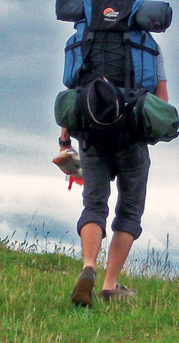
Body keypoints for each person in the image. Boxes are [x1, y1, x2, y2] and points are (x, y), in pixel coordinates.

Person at [64, 55, 168, 307]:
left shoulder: (86, 38)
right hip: (132, 137)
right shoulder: (148, 46)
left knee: (93, 205)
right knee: (130, 210)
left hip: (91, 134)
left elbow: (73, 96)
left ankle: (88, 267)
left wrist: (65, 141)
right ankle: (109, 285)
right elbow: (162, 99)